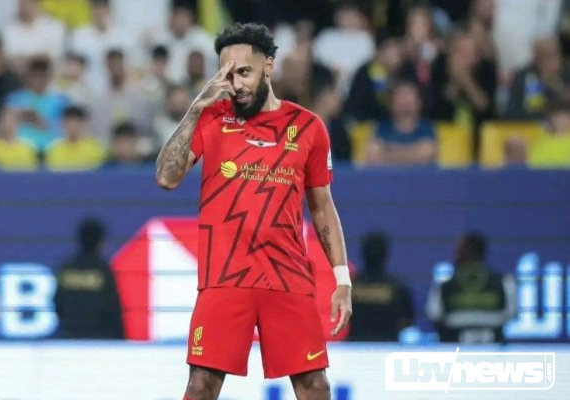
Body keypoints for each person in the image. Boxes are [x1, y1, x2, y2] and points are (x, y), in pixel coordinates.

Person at [155, 23, 352, 400]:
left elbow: (323, 207)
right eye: (227, 74)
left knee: (315, 386)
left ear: (268, 67)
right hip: (225, 278)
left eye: (244, 71)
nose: (236, 83)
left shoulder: (308, 128)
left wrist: (342, 279)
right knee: (201, 385)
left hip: (287, 277)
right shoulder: (212, 118)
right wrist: (196, 108)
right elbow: (166, 177)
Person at [426, 232, 516, 343]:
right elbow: (434, 314)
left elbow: (510, 313)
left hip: (492, 351)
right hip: (454, 349)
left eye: (459, 249)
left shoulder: (503, 282)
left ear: (471, 251)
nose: (455, 254)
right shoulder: (444, 285)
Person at [54, 218, 124, 339]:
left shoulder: (66, 269)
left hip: (69, 337)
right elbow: (113, 310)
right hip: (97, 340)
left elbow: (58, 304)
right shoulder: (103, 271)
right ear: (101, 242)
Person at [348, 232, 414, 342]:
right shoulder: (399, 288)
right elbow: (407, 321)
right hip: (388, 347)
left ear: (363, 253)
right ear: (386, 254)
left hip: (352, 347)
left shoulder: (348, 288)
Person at [366, 81, 437, 166]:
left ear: (419, 103)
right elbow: (373, 154)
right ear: (391, 104)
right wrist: (414, 151)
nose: (405, 103)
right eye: (401, 98)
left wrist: (388, 151)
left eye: (409, 98)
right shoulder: (382, 127)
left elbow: (426, 154)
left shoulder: (426, 127)